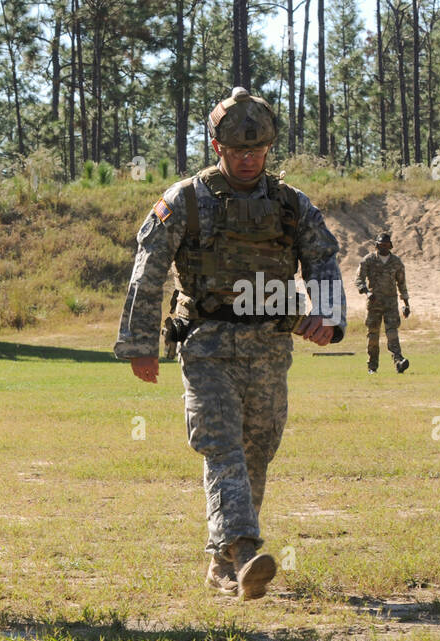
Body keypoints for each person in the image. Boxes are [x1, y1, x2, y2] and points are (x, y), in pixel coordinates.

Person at [114, 87, 345, 599]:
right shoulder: (186, 200)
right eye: (238, 151)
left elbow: (323, 258)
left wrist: (328, 315)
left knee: (257, 449)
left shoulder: (289, 204)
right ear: (217, 147)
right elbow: (148, 269)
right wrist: (139, 343)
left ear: (269, 149)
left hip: (269, 347)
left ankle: (224, 565)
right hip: (206, 347)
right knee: (221, 447)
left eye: (257, 151)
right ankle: (243, 548)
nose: (248, 160)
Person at [355, 232, 411, 374]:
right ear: (376, 245)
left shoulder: (396, 262)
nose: (383, 247)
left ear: (390, 245)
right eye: (381, 245)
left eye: (386, 245)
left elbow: (402, 283)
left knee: (392, 333)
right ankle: (372, 366)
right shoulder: (368, 260)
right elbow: (359, 280)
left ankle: (398, 361)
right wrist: (367, 292)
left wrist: (406, 303)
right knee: (373, 336)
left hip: (391, 304)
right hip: (374, 305)